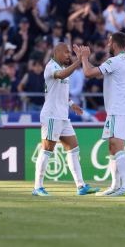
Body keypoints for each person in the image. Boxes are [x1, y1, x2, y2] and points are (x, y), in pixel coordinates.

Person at [33, 43, 99, 196]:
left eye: (70, 53)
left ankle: (81, 186)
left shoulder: (62, 68)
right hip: (51, 116)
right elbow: (61, 75)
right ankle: (37, 187)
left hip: (63, 116)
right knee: (47, 150)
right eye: (66, 53)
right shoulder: (51, 67)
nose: (69, 55)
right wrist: (80, 60)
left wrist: (71, 104)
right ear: (56, 52)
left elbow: (59, 91)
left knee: (74, 149)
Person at [81, 32, 125, 197]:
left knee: (117, 146)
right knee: (112, 147)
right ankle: (115, 186)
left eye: (109, 42)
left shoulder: (115, 61)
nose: (107, 45)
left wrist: (84, 58)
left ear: (114, 44)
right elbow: (97, 75)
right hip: (118, 109)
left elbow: (88, 74)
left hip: (119, 109)